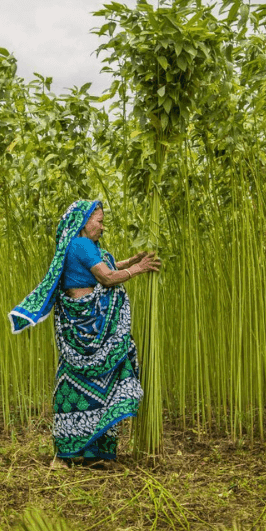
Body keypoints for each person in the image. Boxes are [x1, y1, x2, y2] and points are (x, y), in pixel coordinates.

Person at [9, 200, 161, 469]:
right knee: (80, 385)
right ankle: (71, 454)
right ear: (84, 222)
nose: (103, 226)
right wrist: (138, 269)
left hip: (89, 327)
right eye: (99, 221)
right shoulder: (80, 244)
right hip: (86, 326)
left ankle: (89, 454)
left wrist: (132, 260)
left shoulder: (87, 247)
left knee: (82, 384)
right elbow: (106, 277)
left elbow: (107, 265)